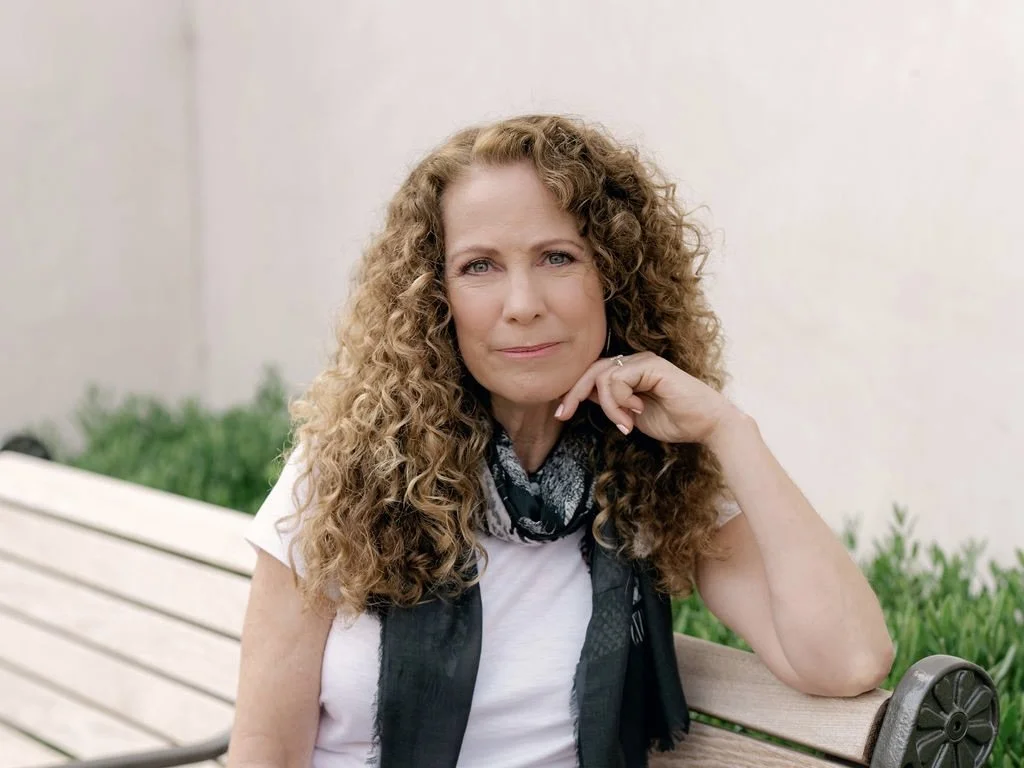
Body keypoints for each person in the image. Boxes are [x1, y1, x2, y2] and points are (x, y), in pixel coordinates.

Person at [227, 114, 894, 768]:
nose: (522, 303)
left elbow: (847, 660)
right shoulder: (350, 469)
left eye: (556, 257)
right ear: (435, 298)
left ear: (614, 276)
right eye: (480, 266)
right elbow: (266, 753)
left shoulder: (648, 468)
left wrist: (728, 429)